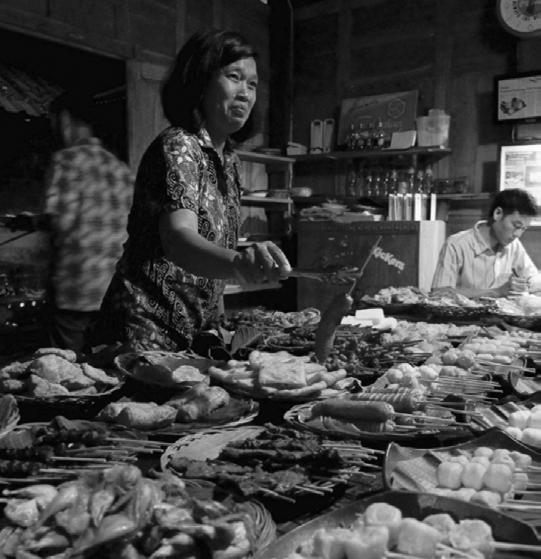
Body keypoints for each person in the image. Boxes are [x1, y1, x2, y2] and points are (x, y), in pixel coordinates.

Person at [89, 29, 291, 352]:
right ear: (200, 81)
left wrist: (219, 326)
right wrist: (239, 262)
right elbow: (179, 239)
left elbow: (215, 252)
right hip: (141, 330)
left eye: (252, 84)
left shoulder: (229, 161)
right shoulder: (179, 145)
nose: (245, 93)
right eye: (234, 77)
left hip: (188, 331)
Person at [34, 90, 134, 353]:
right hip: (115, 291)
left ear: (66, 120)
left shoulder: (66, 161)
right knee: (106, 364)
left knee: (65, 367)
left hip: (76, 289)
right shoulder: (120, 168)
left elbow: (60, 223)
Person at [431, 188, 541, 298]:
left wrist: (530, 285)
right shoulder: (457, 244)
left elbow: (532, 279)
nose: (518, 234)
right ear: (498, 214)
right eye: (516, 226)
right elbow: (439, 293)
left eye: (523, 229)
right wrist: (495, 292)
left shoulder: (513, 245)